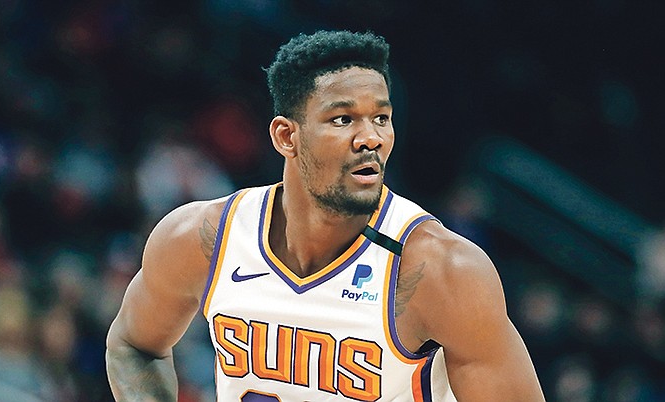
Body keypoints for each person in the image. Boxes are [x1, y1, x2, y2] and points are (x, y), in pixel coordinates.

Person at [106, 30, 545, 401]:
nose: (370, 138)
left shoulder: (441, 269)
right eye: (342, 119)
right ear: (286, 136)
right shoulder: (203, 237)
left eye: (381, 118)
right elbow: (132, 345)